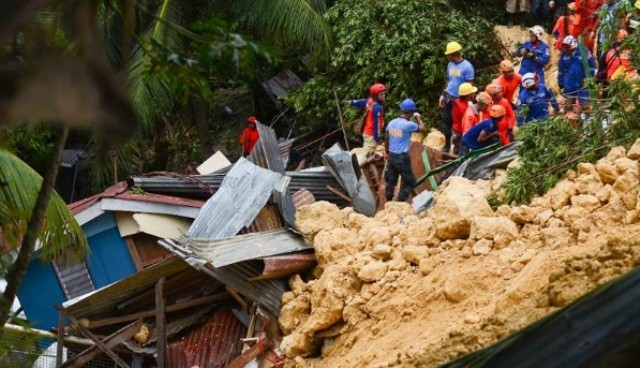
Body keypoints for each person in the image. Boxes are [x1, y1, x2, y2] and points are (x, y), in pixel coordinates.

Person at [384, 99, 426, 202]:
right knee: (410, 181)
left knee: (391, 180)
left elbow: (386, 138)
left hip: (392, 156)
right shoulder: (408, 125)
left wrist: (387, 152)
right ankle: (401, 201)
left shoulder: (392, 122)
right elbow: (423, 128)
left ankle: (388, 200)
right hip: (402, 157)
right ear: (411, 112)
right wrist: (417, 117)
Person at [440, 41, 475, 153]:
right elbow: (448, 81)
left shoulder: (467, 67)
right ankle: (446, 145)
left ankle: (458, 147)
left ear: (454, 53)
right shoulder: (450, 65)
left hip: (460, 100)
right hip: (448, 97)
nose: (447, 57)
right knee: (446, 122)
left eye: (448, 54)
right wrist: (442, 95)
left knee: (459, 124)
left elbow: (469, 85)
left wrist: (467, 101)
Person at [348, 83, 387, 156]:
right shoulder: (377, 108)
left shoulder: (370, 101)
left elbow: (361, 102)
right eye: (381, 94)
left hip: (366, 132)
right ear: (375, 96)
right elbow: (377, 125)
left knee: (371, 153)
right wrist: (378, 138)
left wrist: (352, 102)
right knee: (365, 156)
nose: (383, 96)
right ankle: (358, 165)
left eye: (384, 94)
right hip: (371, 135)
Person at [558, 35, 595, 107]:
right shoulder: (564, 55)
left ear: (572, 46)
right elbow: (561, 70)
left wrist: (589, 79)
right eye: (564, 47)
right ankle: (568, 117)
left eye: (567, 46)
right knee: (568, 106)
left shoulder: (584, 51)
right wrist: (561, 84)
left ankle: (586, 116)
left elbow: (592, 65)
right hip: (569, 85)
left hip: (583, 83)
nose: (565, 49)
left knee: (586, 105)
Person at [452, 83, 478, 154]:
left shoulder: (457, 102)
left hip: (456, 130)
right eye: (472, 93)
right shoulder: (464, 108)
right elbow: (467, 124)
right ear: (468, 95)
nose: (474, 94)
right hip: (461, 132)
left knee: (458, 148)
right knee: (462, 150)